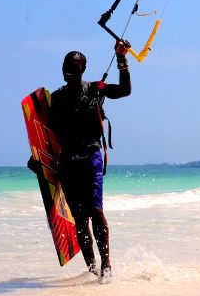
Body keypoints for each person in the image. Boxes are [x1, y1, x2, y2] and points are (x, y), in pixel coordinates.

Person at [29, 40, 131, 281]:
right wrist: (38, 162)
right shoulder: (55, 99)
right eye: (65, 64)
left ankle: (106, 267)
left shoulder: (96, 88)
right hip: (68, 161)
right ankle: (92, 269)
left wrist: (122, 59)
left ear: (82, 68)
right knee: (80, 218)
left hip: (91, 156)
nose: (67, 69)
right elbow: (45, 137)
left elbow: (125, 91)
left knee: (95, 210)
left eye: (73, 65)